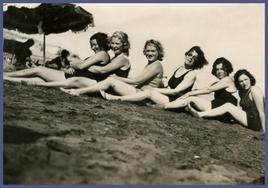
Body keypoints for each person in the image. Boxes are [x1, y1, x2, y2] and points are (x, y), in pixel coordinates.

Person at [4, 32, 130, 88]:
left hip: (73, 78)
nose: (93, 46)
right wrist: (77, 65)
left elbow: (81, 66)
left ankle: (6, 75)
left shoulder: (102, 53)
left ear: (102, 43)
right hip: (74, 76)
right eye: (91, 44)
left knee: (39, 70)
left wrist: (76, 65)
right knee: (37, 77)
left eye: (95, 44)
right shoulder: (104, 55)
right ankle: (7, 77)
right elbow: (81, 65)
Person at [97, 46, 208, 105]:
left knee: (149, 92)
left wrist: (155, 90)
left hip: (174, 101)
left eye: (194, 58)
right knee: (146, 91)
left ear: (197, 62)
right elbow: (169, 86)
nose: (190, 58)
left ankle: (116, 98)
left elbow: (175, 91)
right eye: (189, 55)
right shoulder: (180, 68)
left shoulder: (191, 74)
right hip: (166, 97)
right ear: (186, 54)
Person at [61, 39, 164, 97]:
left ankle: (78, 91)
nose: (150, 53)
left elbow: (137, 81)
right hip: (139, 92)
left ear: (159, 52)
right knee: (110, 81)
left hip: (142, 95)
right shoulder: (151, 64)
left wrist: (116, 78)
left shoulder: (157, 65)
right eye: (148, 51)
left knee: (111, 80)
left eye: (153, 51)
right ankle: (77, 89)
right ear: (144, 52)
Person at [154, 57, 238, 123]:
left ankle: (163, 106)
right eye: (217, 69)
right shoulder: (220, 83)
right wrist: (191, 93)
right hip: (216, 108)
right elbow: (205, 90)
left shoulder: (228, 80)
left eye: (222, 69)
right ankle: (168, 104)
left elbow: (208, 90)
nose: (219, 72)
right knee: (190, 101)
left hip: (220, 111)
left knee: (190, 99)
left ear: (227, 69)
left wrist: (189, 93)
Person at [188, 69, 265, 133]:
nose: (244, 83)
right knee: (228, 110)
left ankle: (201, 114)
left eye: (246, 79)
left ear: (250, 79)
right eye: (241, 81)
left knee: (228, 106)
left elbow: (262, 112)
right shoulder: (242, 92)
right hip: (249, 118)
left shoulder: (255, 90)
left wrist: (264, 131)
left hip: (255, 121)